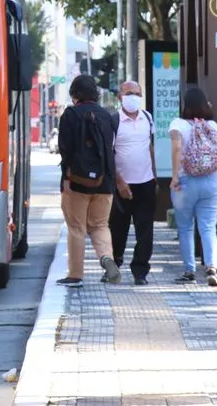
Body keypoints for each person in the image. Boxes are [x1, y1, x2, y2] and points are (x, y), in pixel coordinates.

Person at [56, 75, 121, 287]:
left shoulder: (70, 115)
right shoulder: (108, 116)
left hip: (76, 181)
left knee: (76, 228)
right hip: (105, 182)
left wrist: (66, 177)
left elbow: (65, 150)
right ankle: (106, 257)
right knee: (100, 225)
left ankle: (75, 275)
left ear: (74, 94)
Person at [170, 87, 217, 287]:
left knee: (185, 228)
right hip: (212, 183)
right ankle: (211, 267)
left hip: (186, 182)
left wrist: (175, 176)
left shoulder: (178, 124)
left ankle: (189, 270)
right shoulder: (212, 125)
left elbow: (177, 148)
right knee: (209, 227)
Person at [109, 80, 157, 285]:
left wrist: (154, 176)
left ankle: (140, 271)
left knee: (145, 231)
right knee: (118, 230)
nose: (134, 97)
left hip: (145, 182)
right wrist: (119, 181)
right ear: (120, 96)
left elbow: (150, 148)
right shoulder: (114, 121)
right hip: (122, 185)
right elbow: (109, 154)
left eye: (138, 93)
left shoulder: (147, 117)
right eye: (129, 93)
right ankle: (114, 266)